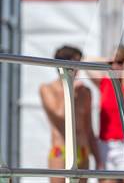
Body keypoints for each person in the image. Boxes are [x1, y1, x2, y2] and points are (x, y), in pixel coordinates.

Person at [40, 45, 102, 183]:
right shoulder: (48, 89)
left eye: (78, 64)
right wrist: (70, 92)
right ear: (63, 65)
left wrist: (99, 161)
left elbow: (89, 129)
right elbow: (60, 115)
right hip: (60, 151)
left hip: (83, 150)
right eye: (75, 64)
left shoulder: (85, 92)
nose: (77, 69)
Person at [86, 45, 124, 183]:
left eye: (119, 62)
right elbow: (85, 61)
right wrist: (108, 60)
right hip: (106, 145)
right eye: (111, 63)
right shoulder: (105, 83)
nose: (114, 66)